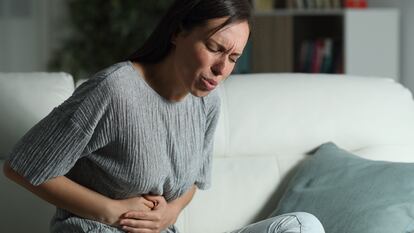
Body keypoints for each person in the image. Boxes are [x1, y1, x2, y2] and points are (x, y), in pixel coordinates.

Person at [3, 0, 325, 232]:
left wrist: (171, 212)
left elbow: (193, 181)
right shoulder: (114, 90)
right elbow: (21, 167)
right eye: (215, 47)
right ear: (177, 32)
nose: (222, 69)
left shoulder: (207, 101)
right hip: (93, 230)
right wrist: (110, 211)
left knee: (302, 226)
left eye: (234, 57)